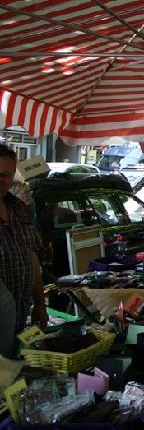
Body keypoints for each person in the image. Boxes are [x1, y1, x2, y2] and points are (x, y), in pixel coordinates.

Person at [0, 144, 48, 358]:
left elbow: (32, 258)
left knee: (12, 372)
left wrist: (40, 304)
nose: (1, 180)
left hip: (22, 312)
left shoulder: (19, 210)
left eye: (6, 175)